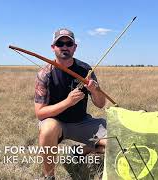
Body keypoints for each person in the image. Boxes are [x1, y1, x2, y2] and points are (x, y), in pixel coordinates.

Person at [34, 28, 107, 180]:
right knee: (48, 129)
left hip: (82, 121)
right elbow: (40, 113)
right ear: (53, 47)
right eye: (60, 43)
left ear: (75, 47)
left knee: (116, 142)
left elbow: (101, 104)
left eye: (69, 43)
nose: (65, 46)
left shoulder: (85, 70)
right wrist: (68, 102)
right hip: (56, 123)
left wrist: (94, 91)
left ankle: (79, 152)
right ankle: (49, 176)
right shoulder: (45, 74)